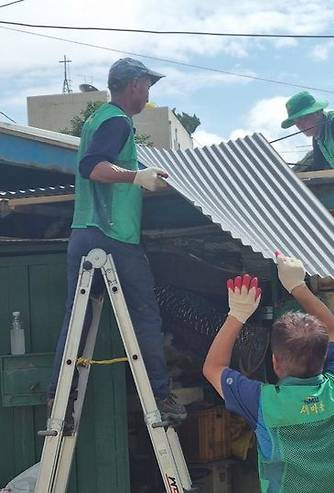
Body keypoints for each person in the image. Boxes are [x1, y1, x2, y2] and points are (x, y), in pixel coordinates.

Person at [47, 58, 186, 429]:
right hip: (113, 237)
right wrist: (136, 177)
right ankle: (160, 394)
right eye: (148, 86)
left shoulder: (95, 120)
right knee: (144, 314)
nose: (148, 94)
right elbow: (92, 167)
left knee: (78, 315)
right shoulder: (116, 121)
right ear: (135, 85)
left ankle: (59, 395)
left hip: (83, 233)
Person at [203, 252, 334, 492]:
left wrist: (237, 314)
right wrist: (298, 286)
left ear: (276, 362)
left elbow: (213, 368)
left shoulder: (264, 403)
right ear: (323, 357)